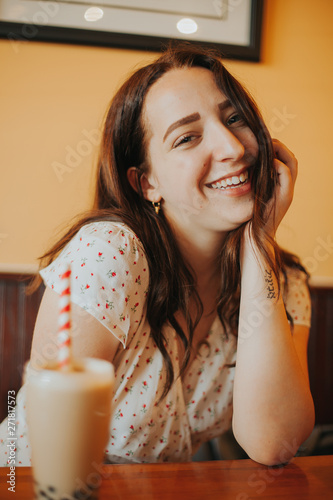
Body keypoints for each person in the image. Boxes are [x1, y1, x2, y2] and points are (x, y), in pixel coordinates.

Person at [0, 43, 314, 466]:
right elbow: (50, 445)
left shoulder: (285, 281)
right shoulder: (110, 254)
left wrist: (259, 244)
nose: (232, 147)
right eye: (187, 137)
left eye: (234, 118)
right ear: (146, 183)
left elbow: (273, 443)